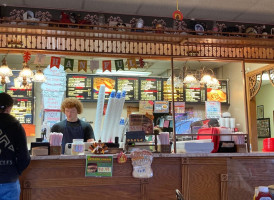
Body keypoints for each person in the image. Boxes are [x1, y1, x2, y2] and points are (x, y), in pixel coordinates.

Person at [0, 92, 30, 200]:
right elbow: (24, 157)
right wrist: (16, 171)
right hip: (9, 180)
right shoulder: (16, 126)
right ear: (9, 108)